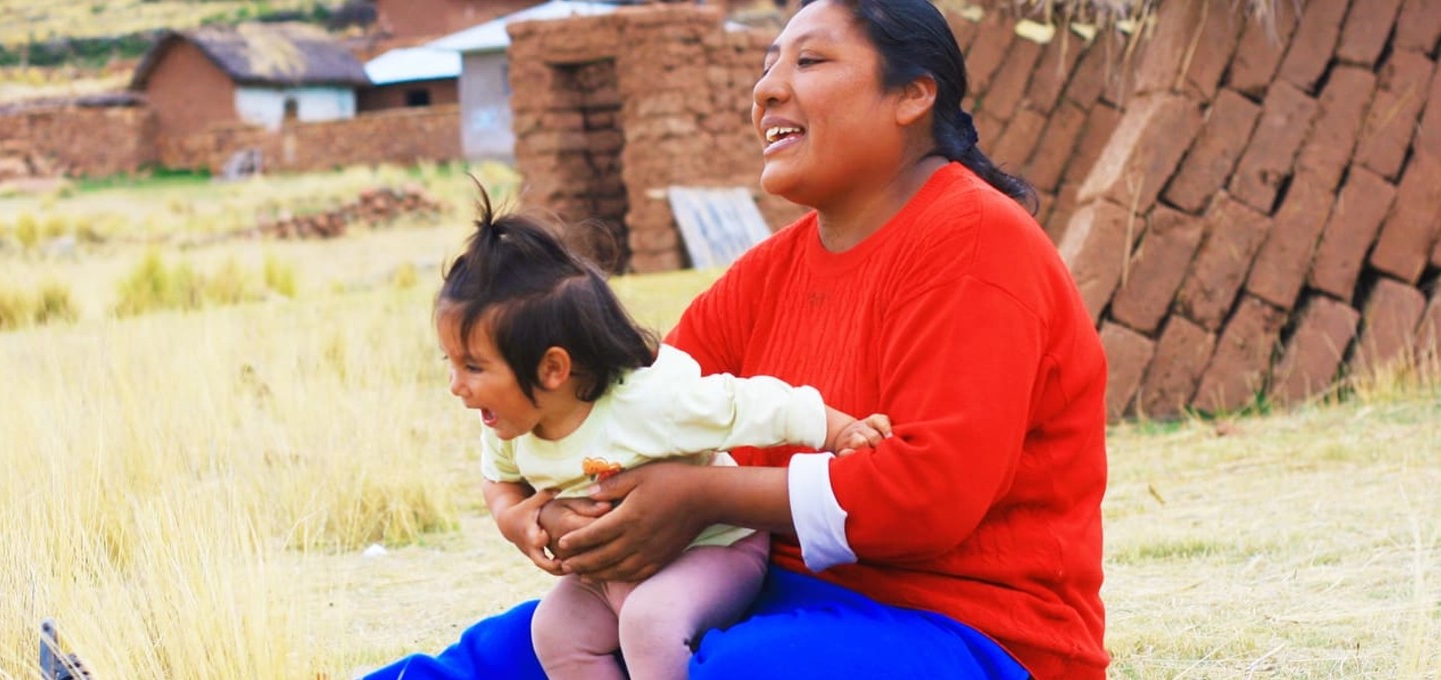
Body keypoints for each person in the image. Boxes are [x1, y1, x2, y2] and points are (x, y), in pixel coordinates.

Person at [365, 0, 1109, 677]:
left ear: (914, 95)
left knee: (740, 669)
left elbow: (929, 497)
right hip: (760, 592)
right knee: (495, 660)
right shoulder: (764, 276)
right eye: (767, 64)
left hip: (969, 630)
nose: (768, 90)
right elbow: (628, 411)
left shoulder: (978, 243)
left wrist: (700, 494)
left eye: (809, 61)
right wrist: (546, 513)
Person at [435, 188, 893, 680]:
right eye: (452, 364)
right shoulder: (508, 426)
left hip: (715, 549)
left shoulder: (651, 402)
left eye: (474, 367)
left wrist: (839, 430)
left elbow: (756, 405)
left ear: (552, 368)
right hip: (613, 570)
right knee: (553, 630)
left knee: (649, 622)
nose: (457, 387)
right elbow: (498, 482)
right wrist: (514, 519)